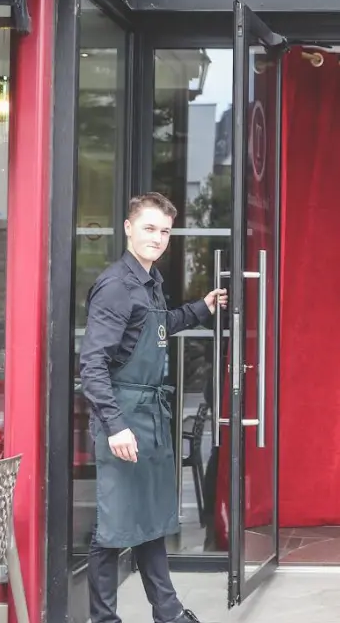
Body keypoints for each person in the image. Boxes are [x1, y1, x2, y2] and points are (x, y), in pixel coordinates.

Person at [79, 192, 226, 623]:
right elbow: (92, 365)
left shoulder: (150, 281)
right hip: (124, 417)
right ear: (128, 228)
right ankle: (104, 619)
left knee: (146, 521)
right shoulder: (116, 288)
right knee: (114, 526)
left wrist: (201, 309)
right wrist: (116, 424)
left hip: (148, 416)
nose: (158, 238)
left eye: (165, 231)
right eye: (149, 228)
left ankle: (168, 612)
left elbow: (159, 327)